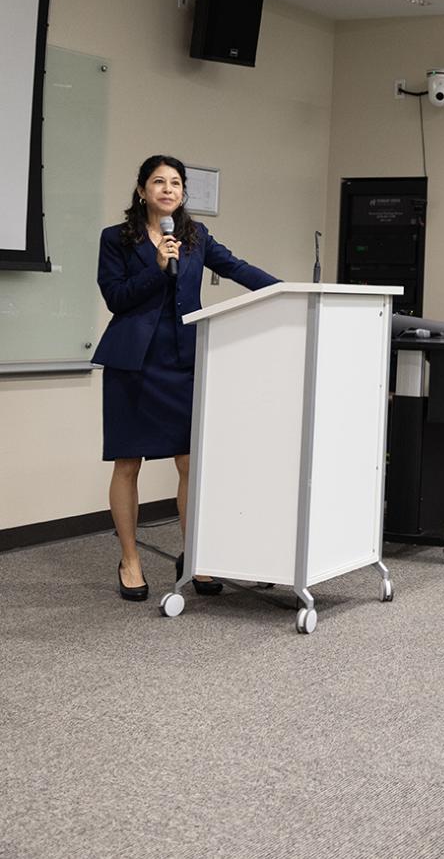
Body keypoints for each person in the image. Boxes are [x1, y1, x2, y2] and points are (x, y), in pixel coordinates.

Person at [94, 155, 279, 601]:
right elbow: (115, 298)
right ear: (141, 190)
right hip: (134, 363)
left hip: (183, 360)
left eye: (176, 183)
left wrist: (286, 291)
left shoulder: (196, 237)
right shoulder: (117, 238)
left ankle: (196, 555)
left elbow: (236, 267)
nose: (168, 189)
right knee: (128, 463)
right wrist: (155, 267)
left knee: (190, 463)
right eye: (158, 182)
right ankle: (131, 559)